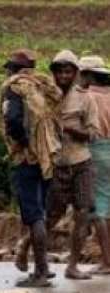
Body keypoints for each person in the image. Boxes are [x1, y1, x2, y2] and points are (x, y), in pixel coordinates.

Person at [17, 50, 98, 280]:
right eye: (60, 71)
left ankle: (72, 266)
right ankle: (25, 246)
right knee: (50, 217)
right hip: (55, 165)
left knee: (82, 214)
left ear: (75, 73)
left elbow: (93, 133)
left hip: (81, 161)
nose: (63, 76)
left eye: (68, 71)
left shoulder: (85, 98)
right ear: (54, 73)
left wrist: (71, 129)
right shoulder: (44, 96)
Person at [0, 49, 62, 288]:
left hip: (27, 159)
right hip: (46, 157)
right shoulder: (41, 86)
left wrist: (23, 146)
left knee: (33, 215)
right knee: (41, 211)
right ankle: (43, 266)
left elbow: (13, 120)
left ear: (12, 69)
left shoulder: (14, 88)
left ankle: (41, 271)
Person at [78, 55, 110, 275]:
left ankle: (107, 261)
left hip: (97, 149)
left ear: (88, 75)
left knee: (97, 208)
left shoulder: (87, 97)